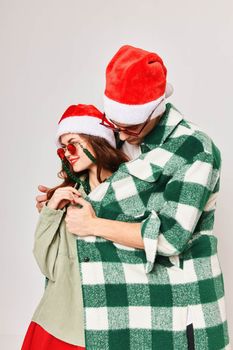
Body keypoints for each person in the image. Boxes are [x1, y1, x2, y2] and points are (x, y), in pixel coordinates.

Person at [36, 45, 230, 349]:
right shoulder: (126, 144)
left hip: (181, 307)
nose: (123, 136)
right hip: (123, 312)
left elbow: (171, 237)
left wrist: (92, 225)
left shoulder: (194, 149)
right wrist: (56, 200)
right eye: (115, 126)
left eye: (131, 127)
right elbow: (105, 197)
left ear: (157, 109)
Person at [21, 104, 129, 350]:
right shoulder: (68, 197)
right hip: (59, 320)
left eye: (72, 144)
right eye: (62, 150)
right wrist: (52, 210)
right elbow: (47, 265)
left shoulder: (129, 189)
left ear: (97, 141)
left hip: (113, 323)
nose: (67, 154)